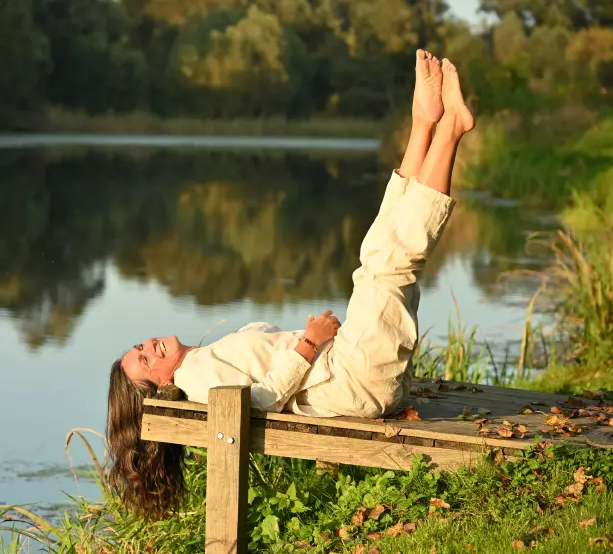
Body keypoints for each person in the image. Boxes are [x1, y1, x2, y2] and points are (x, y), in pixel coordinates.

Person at [106, 51, 475, 517]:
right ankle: (451, 128)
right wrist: (308, 343)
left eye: (139, 347)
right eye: (145, 361)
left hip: (351, 371)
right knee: (390, 260)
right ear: (159, 386)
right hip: (354, 381)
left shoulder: (200, 361)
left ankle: (424, 122)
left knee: (379, 250)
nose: (149, 347)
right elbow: (257, 403)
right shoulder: (194, 377)